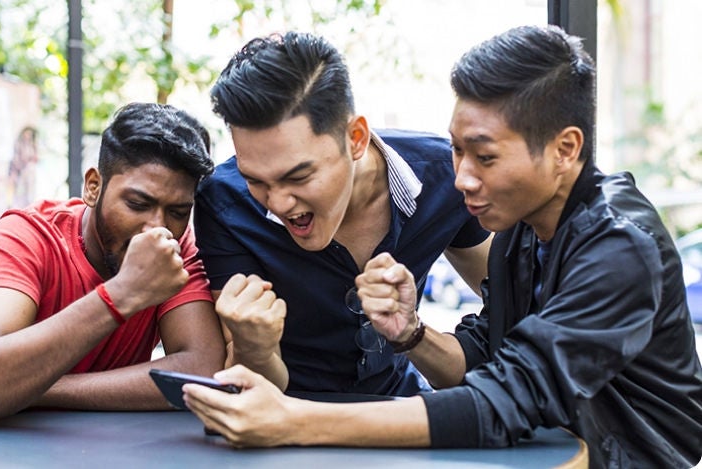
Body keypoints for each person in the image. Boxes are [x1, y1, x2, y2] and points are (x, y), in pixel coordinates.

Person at [183, 25, 702, 468]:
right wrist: (410, 333)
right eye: (456, 150)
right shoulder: (521, 230)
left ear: (565, 150)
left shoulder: (619, 244)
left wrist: (293, 420)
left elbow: (505, 400)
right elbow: (487, 358)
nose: (460, 178)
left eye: (485, 157)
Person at [193, 31, 491, 397]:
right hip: (287, 424)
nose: (279, 203)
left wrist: (414, 333)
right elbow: (250, 387)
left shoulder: (443, 177)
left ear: (356, 138)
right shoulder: (224, 201)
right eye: (255, 180)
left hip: (403, 413)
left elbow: (511, 302)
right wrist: (254, 347)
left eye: (298, 176)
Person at [0, 103, 226, 428]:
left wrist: (32, 388)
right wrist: (121, 295)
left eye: (178, 212)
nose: (158, 228)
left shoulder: (176, 249)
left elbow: (201, 369)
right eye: (137, 204)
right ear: (93, 186)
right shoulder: (26, 237)